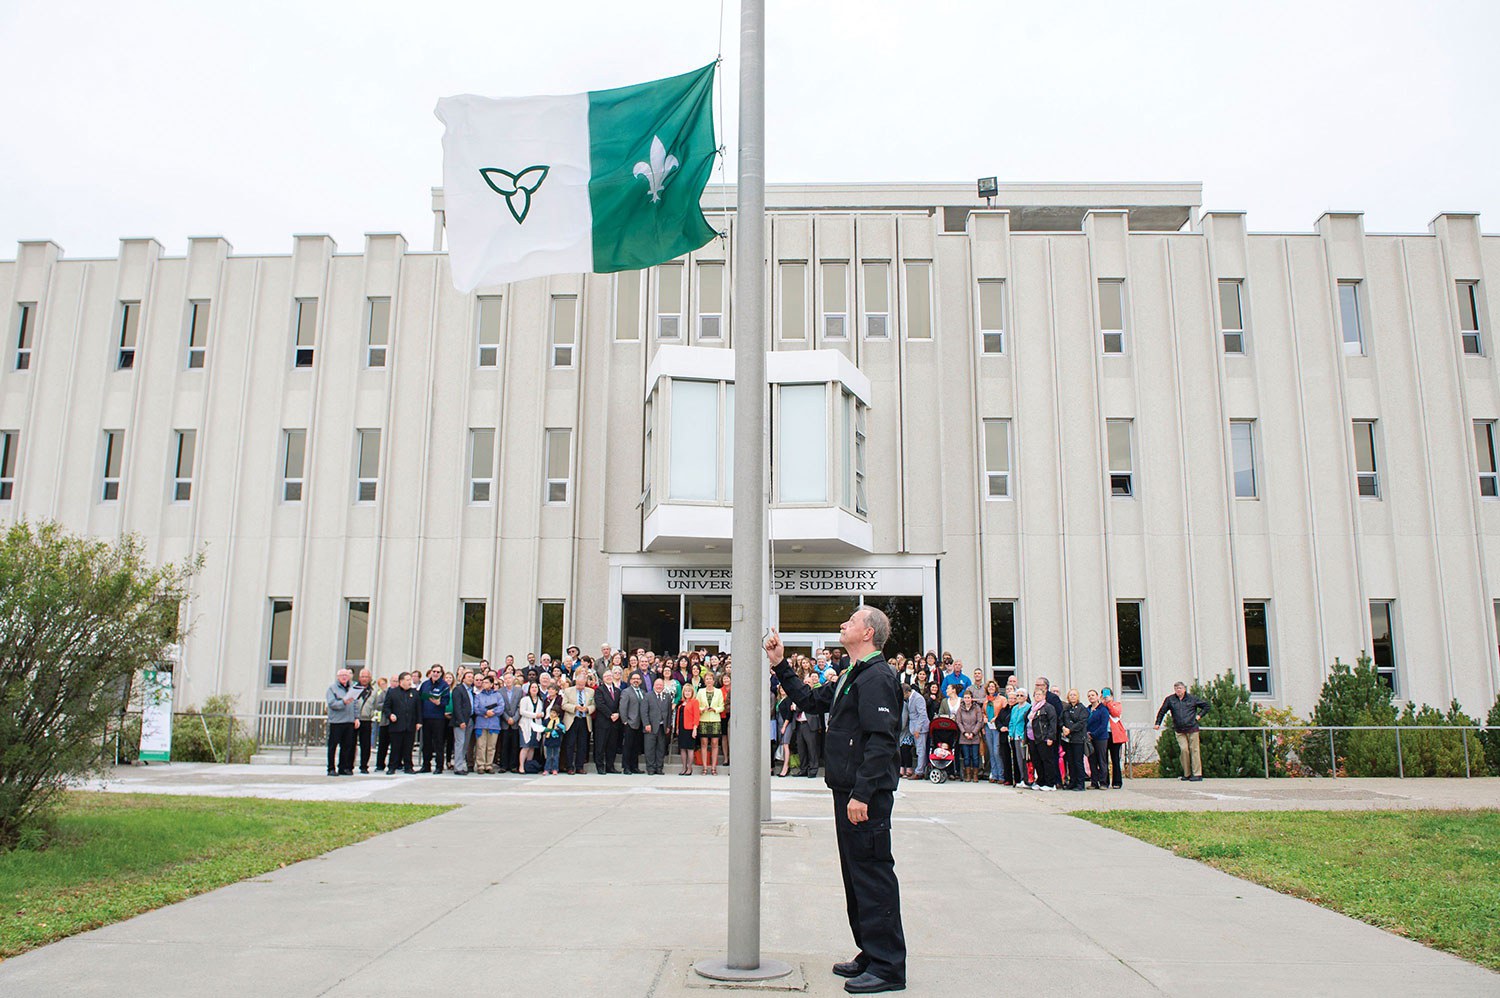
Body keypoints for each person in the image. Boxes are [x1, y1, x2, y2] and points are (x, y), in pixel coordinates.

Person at [766, 606, 906, 994]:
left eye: (852, 620)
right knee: (855, 875)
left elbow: (882, 740)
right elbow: (811, 701)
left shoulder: (877, 676)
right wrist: (780, 665)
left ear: (868, 633)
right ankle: (871, 951)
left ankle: (889, 967)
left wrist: (863, 792)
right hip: (846, 791)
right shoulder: (851, 674)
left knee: (873, 875)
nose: (843, 623)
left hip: (866, 796)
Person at [1155, 680, 1209, 781]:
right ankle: (1187, 773)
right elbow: (1162, 711)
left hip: (1192, 728)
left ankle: (1197, 774)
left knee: (1195, 750)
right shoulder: (1170, 700)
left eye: (1180, 688)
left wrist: (1199, 716)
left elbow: (1206, 706)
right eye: (1176, 688)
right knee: (1184, 750)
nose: (1178, 690)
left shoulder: (1192, 698)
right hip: (1179, 729)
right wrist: (1158, 723)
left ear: (1184, 689)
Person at [383, 671, 420, 774]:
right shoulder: (392, 693)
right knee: (395, 747)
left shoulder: (415, 693)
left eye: (410, 680)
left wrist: (419, 722)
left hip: (410, 725)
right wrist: (390, 715)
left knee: (408, 748)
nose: (410, 682)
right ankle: (392, 767)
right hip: (396, 725)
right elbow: (386, 707)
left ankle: (408, 766)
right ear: (401, 681)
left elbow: (418, 709)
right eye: (407, 680)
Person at [561, 666, 594, 775]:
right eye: (578, 684)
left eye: (582, 685)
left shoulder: (590, 692)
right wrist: (574, 707)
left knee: (582, 744)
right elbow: (564, 705)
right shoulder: (568, 691)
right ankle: (569, 766)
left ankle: (580, 767)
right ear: (576, 682)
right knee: (570, 744)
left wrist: (588, 709)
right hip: (572, 719)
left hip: (584, 720)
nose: (580, 687)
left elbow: (594, 705)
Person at [325, 668, 358, 776]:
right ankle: (331, 768)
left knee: (347, 746)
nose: (344, 677)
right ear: (338, 677)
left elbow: (355, 704)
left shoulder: (352, 688)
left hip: (349, 721)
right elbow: (331, 703)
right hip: (337, 722)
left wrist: (356, 718)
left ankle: (343, 768)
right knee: (333, 746)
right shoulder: (332, 688)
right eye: (342, 675)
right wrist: (343, 702)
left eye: (346, 675)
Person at [417, 665, 449, 774]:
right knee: (426, 743)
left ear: (441, 674)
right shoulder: (425, 685)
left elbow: (446, 700)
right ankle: (426, 765)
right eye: (434, 671)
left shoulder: (444, 685)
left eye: (438, 672)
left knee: (438, 743)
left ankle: (439, 766)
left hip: (438, 718)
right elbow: (420, 701)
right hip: (426, 717)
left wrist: (439, 703)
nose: (435, 673)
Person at [1059, 689, 1090, 791]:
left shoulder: (1082, 709)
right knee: (1070, 761)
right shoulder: (1066, 709)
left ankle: (1080, 784)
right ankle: (1072, 782)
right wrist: (1063, 727)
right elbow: (1061, 720)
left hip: (1078, 739)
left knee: (1078, 761)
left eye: (1074, 695)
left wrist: (1070, 729)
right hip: (1068, 739)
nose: (1072, 697)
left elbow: (1081, 722)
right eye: (1070, 695)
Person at [1027, 688, 1058, 790]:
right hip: (1032, 738)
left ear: (1044, 696)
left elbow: (1052, 724)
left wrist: (1050, 737)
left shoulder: (1048, 707)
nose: (1037, 696)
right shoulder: (1032, 708)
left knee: (1047, 760)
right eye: (1036, 694)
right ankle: (1041, 781)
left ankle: (1050, 783)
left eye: (1040, 694)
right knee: (1037, 761)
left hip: (1044, 738)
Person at [471, 674, 502, 774]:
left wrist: (492, 713)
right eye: (483, 682)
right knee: (481, 745)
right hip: (481, 723)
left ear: (492, 684)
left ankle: (489, 765)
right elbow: (476, 708)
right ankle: (480, 765)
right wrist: (485, 712)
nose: (484, 684)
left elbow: (501, 707)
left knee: (491, 746)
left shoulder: (497, 695)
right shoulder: (479, 696)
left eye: (486, 682)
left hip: (493, 723)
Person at [643, 676, 674, 775]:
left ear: (663, 686)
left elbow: (669, 712)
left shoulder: (667, 696)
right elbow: (644, 712)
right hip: (651, 726)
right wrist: (646, 724)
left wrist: (668, 725)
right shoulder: (648, 696)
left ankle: (659, 768)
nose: (659, 686)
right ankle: (651, 768)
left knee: (661, 749)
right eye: (657, 685)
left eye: (661, 685)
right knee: (650, 748)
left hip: (662, 727)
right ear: (653, 686)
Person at [594, 670, 623, 774]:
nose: (609, 677)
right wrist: (610, 715)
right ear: (603, 678)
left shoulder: (618, 690)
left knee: (612, 746)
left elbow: (621, 704)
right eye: (606, 676)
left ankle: (610, 767)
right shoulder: (599, 690)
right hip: (603, 722)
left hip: (615, 723)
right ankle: (600, 767)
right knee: (600, 746)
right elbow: (600, 704)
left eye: (610, 676)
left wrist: (618, 714)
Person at [619, 670, 647, 775]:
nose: (636, 680)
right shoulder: (626, 692)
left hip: (640, 723)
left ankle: (635, 767)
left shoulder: (643, 692)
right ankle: (626, 767)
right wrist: (625, 721)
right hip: (630, 723)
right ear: (630, 681)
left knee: (636, 746)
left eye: (638, 679)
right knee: (628, 746)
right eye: (634, 679)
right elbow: (623, 707)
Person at [696, 673, 724, 775]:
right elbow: (697, 705)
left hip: (715, 719)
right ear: (704, 681)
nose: (708, 681)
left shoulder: (718, 691)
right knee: (703, 744)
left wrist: (715, 709)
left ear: (713, 680)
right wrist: (702, 709)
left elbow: (722, 706)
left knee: (715, 744)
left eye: (710, 679)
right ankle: (704, 767)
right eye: (707, 679)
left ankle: (713, 767)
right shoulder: (700, 692)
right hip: (703, 719)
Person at [448, 669, 474, 775]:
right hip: (461, 721)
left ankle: (460, 764)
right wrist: (460, 721)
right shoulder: (458, 690)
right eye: (469, 677)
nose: (471, 679)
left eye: (472, 677)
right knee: (460, 743)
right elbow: (457, 707)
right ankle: (458, 767)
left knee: (465, 744)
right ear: (463, 678)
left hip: (470, 719)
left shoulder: (471, 690)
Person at [497, 674, 523, 773]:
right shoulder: (500, 692)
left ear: (513, 680)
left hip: (515, 723)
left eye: (510, 678)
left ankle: (513, 765)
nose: (508, 680)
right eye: (506, 679)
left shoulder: (519, 691)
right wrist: (507, 718)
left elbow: (520, 706)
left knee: (514, 745)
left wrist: (515, 718)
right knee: (504, 745)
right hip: (505, 722)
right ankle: (503, 765)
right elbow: (500, 707)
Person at [353, 668, 378, 774]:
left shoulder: (373, 691)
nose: (364, 679)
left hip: (366, 720)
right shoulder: (354, 689)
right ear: (359, 678)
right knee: (351, 744)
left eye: (367, 677)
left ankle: (364, 766)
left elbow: (375, 705)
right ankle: (349, 765)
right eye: (363, 676)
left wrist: (371, 713)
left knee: (366, 744)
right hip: (354, 720)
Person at [1086, 690, 1111, 790]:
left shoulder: (1103, 709)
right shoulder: (1087, 709)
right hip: (1089, 738)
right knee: (1092, 760)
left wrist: (1094, 734)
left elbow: (1103, 725)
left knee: (1102, 760)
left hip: (1100, 738)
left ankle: (1103, 782)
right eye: (1089, 696)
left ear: (1097, 697)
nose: (1091, 697)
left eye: (1093, 695)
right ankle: (1094, 782)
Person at [518, 680, 544, 774]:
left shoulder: (540, 700)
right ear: (529, 689)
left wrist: (541, 714)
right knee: (525, 746)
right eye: (532, 687)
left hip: (536, 726)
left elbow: (542, 712)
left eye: (536, 687)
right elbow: (522, 712)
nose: (534, 689)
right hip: (526, 725)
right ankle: (521, 766)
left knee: (532, 747)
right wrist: (535, 715)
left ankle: (528, 766)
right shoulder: (524, 699)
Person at [1103, 687, 1127, 787]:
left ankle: (1117, 781)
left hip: (1115, 735)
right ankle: (1105, 781)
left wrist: (1109, 703)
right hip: (1104, 734)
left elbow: (1116, 713)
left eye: (1108, 695)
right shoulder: (1101, 706)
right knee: (1104, 759)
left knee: (1115, 758)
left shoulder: (1116, 704)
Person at [1007, 688, 1031, 788]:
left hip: (1023, 735)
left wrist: (1024, 734)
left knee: (1025, 757)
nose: (1019, 697)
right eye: (1018, 696)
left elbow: (1027, 723)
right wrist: (1011, 733)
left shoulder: (1028, 707)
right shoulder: (1015, 708)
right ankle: (1021, 778)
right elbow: (1012, 722)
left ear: (1025, 697)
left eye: (1021, 695)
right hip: (1015, 735)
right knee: (1018, 758)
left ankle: (1027, 779)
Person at [676, 680, 701, 776]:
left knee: (690, 749)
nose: (687, 693)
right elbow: (679, 716)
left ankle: (690, 768)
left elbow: (696, 716)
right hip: (682, 728)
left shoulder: (694, 702)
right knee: (682, 749)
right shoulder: (681, 703)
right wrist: (677, 728)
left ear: (692, 692)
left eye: (689, 691)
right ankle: (683, 767)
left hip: (690, 728)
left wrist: (695, 728)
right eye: (685, 691)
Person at [905, 682, 929, 780]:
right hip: (913, 727)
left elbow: (922, 714)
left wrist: (917, 729)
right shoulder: (911, 699)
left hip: (920, 729)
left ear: (907, 692)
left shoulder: (918, 698)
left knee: (920, 750)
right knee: (919, 750)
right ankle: (919, 770)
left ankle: (919, 771)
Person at [541, 703, 565, 775]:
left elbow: (562, 730)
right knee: (548, 756)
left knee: (555, 756)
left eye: (554, 713)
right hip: (548, 740)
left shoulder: (559, 722)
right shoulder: (547, 721)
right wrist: (548, 730)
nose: (552, 714)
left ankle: (555, 769)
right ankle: (547, 769)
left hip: (556, 741)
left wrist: (557, 730)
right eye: (551, 712)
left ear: (557, 714)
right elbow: (543, 728)